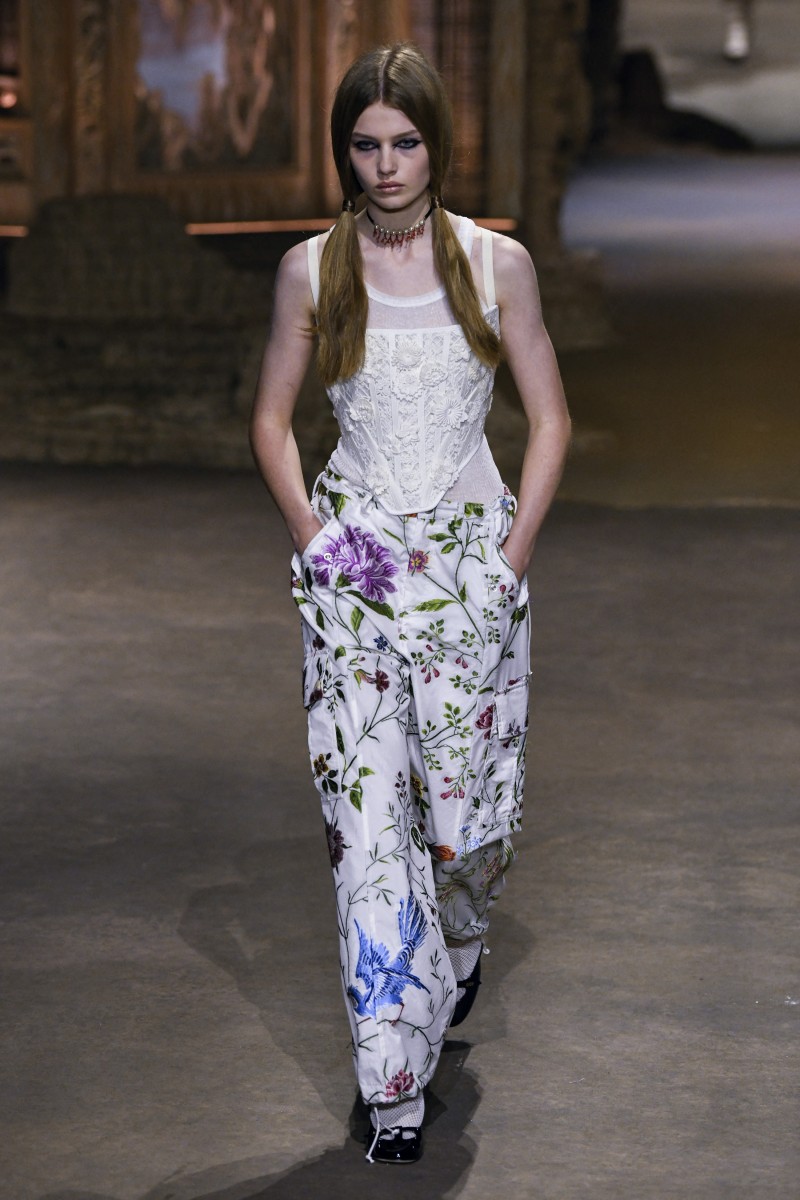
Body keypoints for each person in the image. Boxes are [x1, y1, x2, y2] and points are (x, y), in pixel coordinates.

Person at [250, 42, 571, 1165]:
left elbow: (550, 419)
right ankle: (392, 1089)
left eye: (405, 142)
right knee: (368, 835)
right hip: (355, 576)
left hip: (470, 572)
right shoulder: (311, 268)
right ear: (343, 152)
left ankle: (463, 946)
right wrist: (315, 542)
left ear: (437, 146)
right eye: (364, 145)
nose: (385, 165)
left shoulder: (494, 264)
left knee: (464, 829)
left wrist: (510, 559)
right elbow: (271, 421)